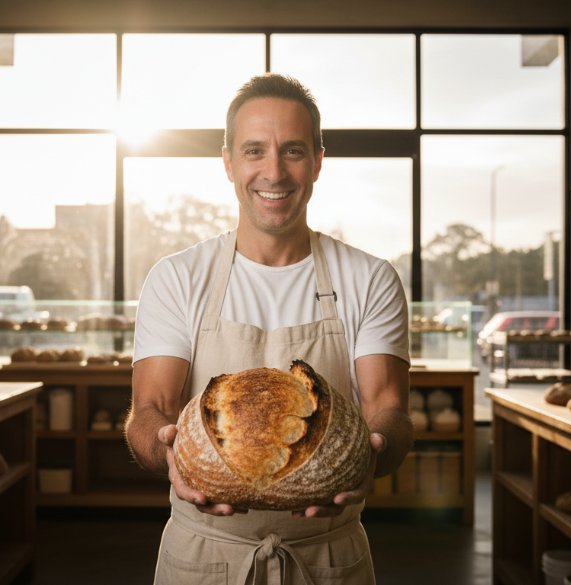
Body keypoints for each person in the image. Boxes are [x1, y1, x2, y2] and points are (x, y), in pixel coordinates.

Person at [125, 73, 412, 585]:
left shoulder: (369, 278)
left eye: (294, 151)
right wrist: (165, 447)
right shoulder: (177, 278)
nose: (273, 172)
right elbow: (149, 412)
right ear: (229, 162)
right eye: (254, 150)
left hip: (328, 559)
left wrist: (374, 453)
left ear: (319, 162)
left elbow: (388, 409)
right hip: (203, 559)